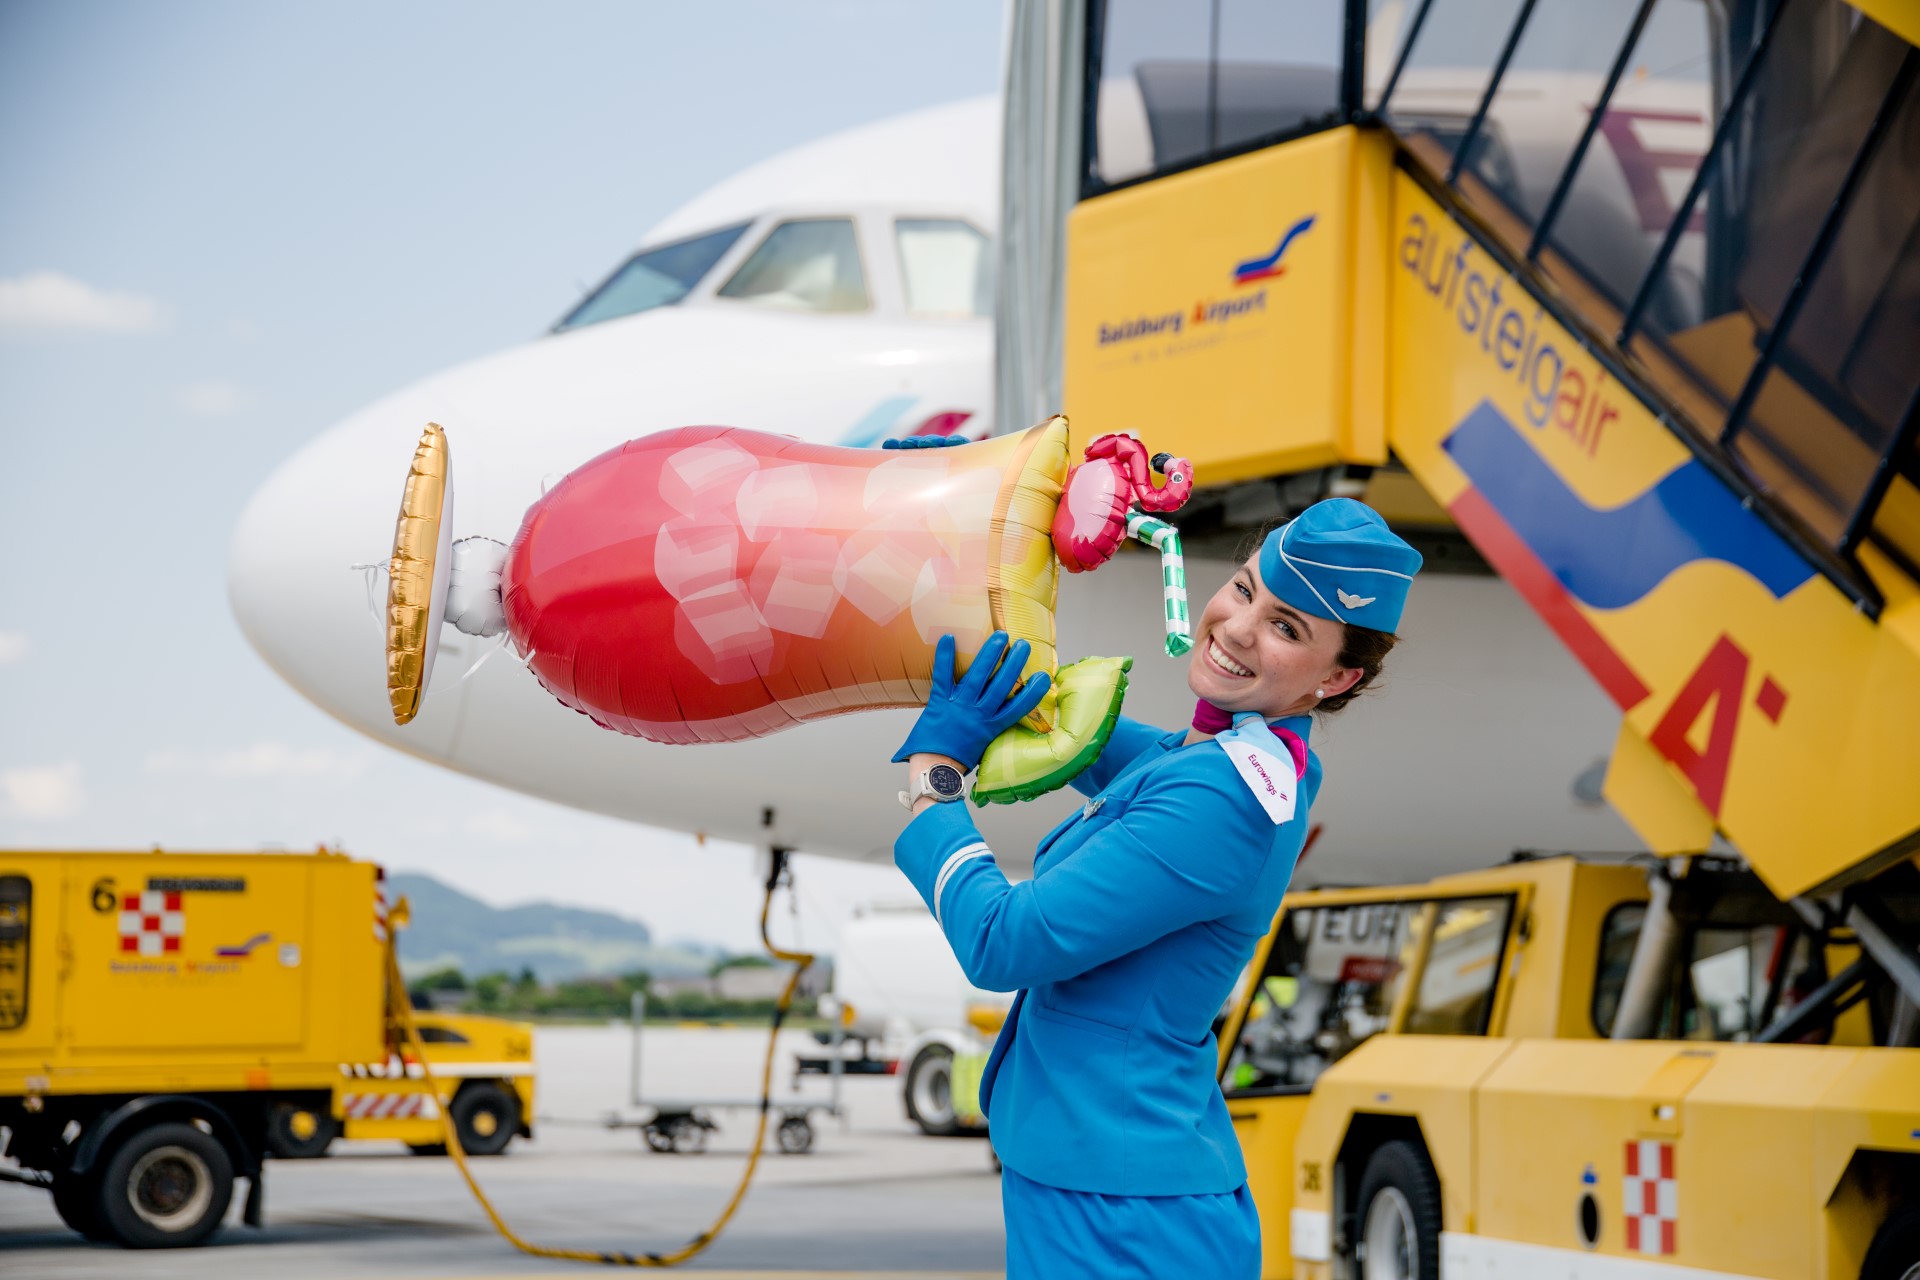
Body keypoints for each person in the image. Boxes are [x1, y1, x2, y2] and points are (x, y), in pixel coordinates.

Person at [889, 497, 1422, 1278]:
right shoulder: (1235, 760)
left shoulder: (1226, 798)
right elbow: (1104, 747)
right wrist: (974, 535)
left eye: (1288, 629)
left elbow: (1005, 941)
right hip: (1105, 1181)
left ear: (1336, 678)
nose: (1239, 628)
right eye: (1245, 590)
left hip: (1122, 1216)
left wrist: (934, 782)